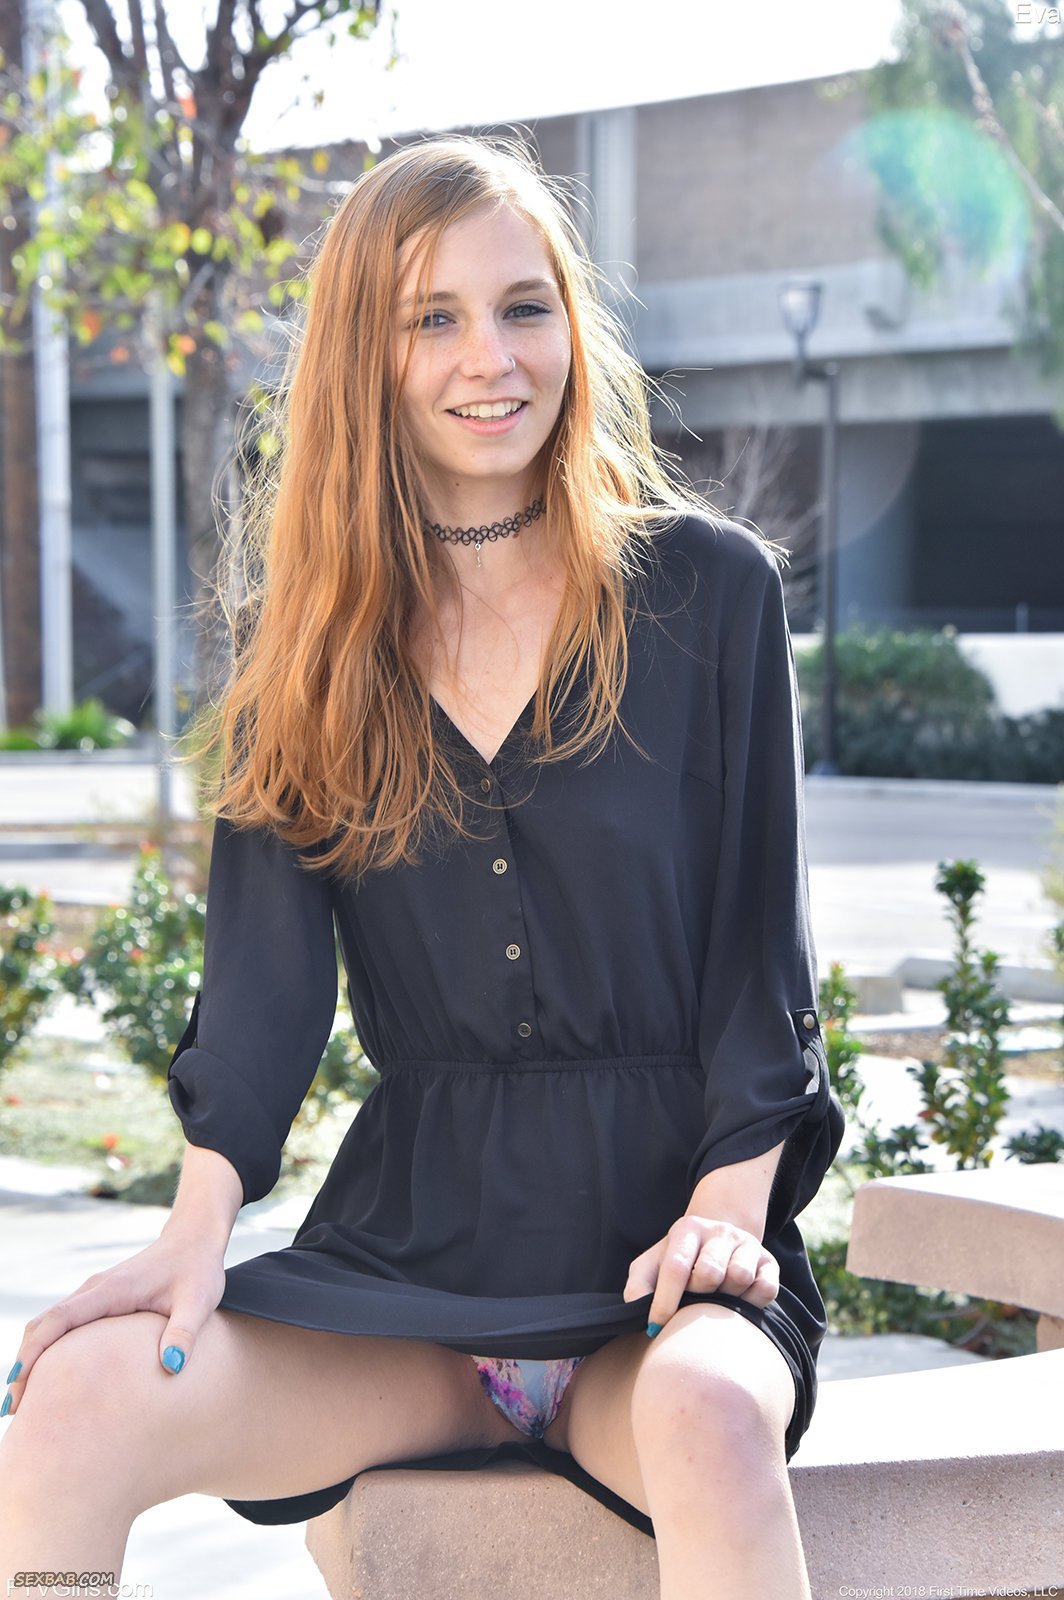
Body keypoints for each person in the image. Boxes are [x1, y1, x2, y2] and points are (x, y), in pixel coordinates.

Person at [0, 134, 844, 1600]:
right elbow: (261, 991)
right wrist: (196, 1229)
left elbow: (760, 957)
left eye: (524, 307)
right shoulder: (305, 651)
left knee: (711, 1413)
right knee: (74, 1401)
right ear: (364, 357)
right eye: (431, 318)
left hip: (663, 1279)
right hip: (411, 1290)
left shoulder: (710, 592)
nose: (489, 358)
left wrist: (732, 1205)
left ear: (572, 326)